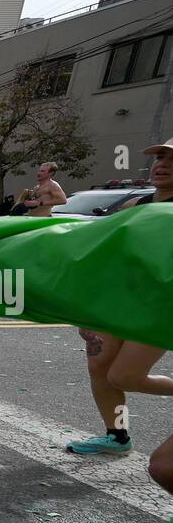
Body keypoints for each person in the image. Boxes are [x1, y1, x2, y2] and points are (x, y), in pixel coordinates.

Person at [67, 138, 173, 467]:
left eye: (172, 159)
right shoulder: (133, 207)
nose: (162, 164)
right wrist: (89, 309)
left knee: (124, 376)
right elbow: (107, 259)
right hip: (119, 302)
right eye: (159, 156)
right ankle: (117, 436)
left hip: (160, 307)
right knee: (99, 367)